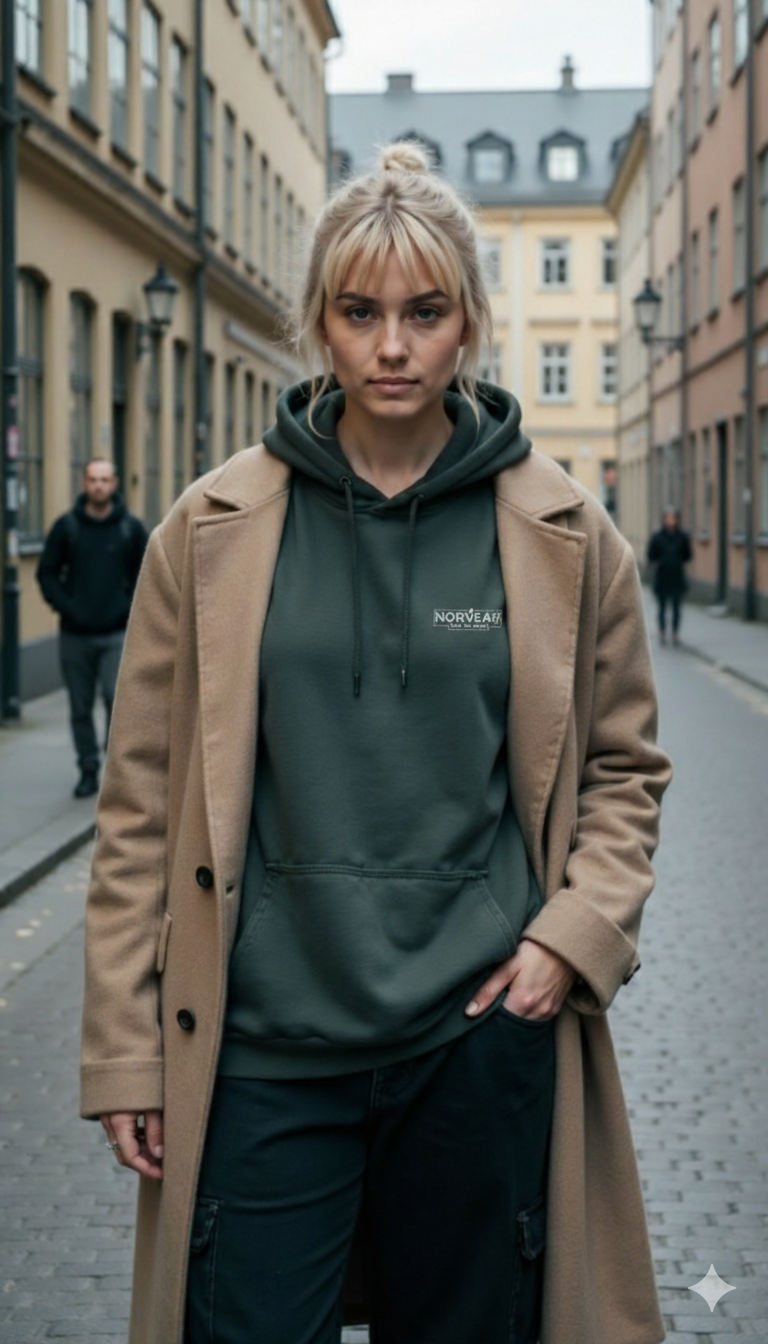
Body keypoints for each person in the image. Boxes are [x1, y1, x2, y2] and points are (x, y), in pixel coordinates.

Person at [81, 144, 672, 1344]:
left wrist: (570, 942)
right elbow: (139, 804)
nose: (391, 346)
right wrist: (125, 1052)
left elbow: (624, 769)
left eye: (424, 312)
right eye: (360, 313)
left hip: (474, 1045)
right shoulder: (211, 529)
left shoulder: (564, 530)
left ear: (469, 326)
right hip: (259, 1049)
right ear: (320, 326)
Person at [37, 458, 148, 797]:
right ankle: (87, 769)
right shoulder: (67, 527)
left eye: (104, 479)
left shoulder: (130, 528)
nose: (98, 485)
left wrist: (127, 610)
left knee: (118, 703)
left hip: (116, 634)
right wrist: (67, 606)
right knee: (79, 707)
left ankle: (117, 775)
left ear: (114, 483)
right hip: (75, 635)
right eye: (92, 479)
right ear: (84, 483)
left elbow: (147, 577)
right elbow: (47, 573)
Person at [647, 507, 693, 645]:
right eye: (668, 518)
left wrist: (677, 562)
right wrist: (660, 563)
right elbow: (651, 555)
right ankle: (662, 631)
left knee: (676, 607)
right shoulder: (658, 537)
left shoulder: (682, 537)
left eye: (673, 518)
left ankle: (675, 633)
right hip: (662, 577)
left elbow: (687, 555)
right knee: (661, 607)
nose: (670, 521)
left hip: (677, 576)